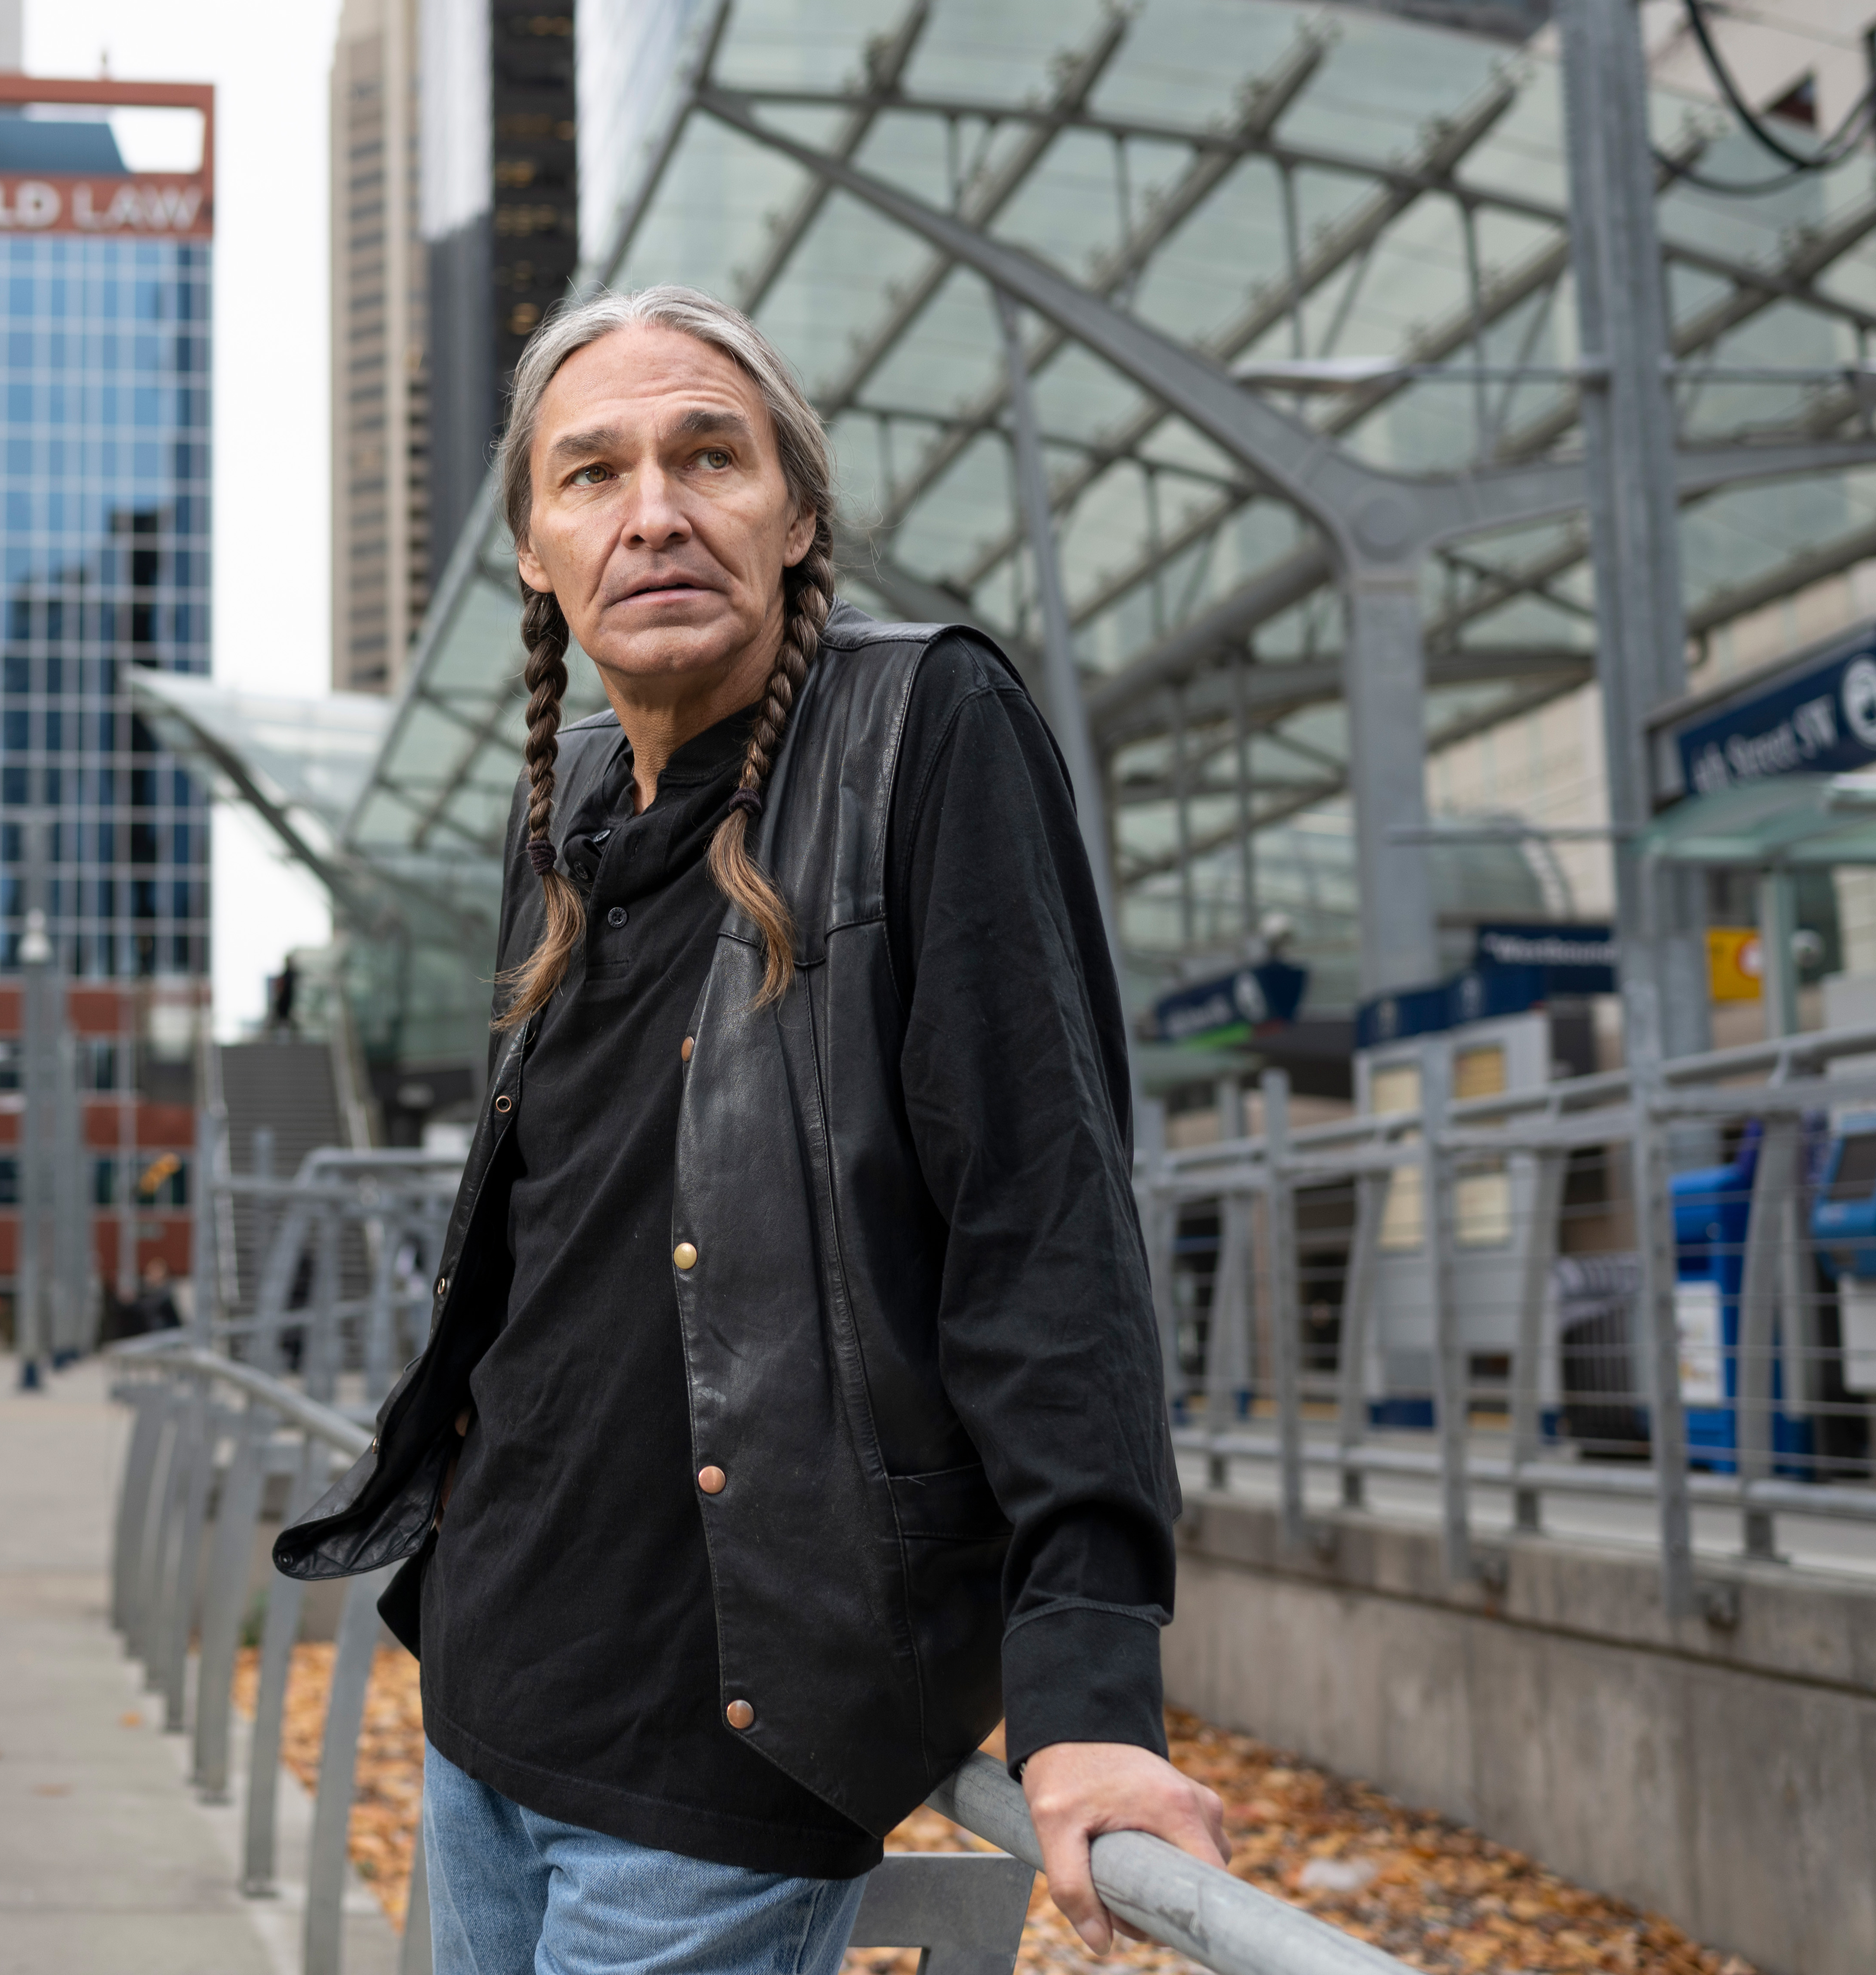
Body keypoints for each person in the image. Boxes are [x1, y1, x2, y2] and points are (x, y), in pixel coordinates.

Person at [277, 286, 1224, 1972]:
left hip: (724, 1746)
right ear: (530, 549)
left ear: (794, 514)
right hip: (488, 1689)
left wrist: (1085, 1681)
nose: (652, 508)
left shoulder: (922, 730)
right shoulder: (556, 806)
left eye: (706, 454)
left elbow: (1042, 1208)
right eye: (591, 473)